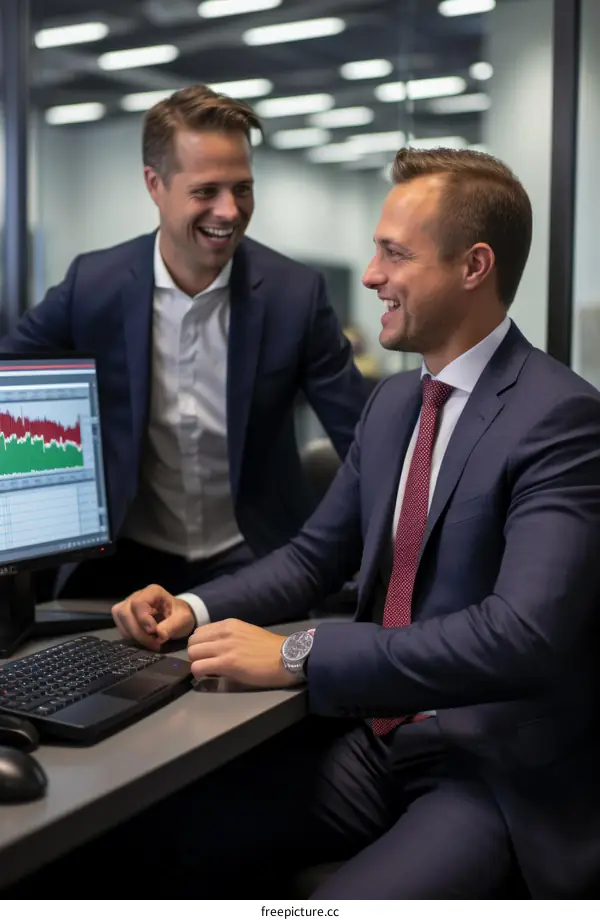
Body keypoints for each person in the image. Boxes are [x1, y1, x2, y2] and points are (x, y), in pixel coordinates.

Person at [109, 147, 600, 898]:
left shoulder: (560, 418)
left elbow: (520, 637)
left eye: (394, 253)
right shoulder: (398, 403)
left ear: (474, 267)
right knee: (148, 845)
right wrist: (193, 608)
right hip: (374, 743)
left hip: (487, 771)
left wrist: (300, 652)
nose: (370, 275)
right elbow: (314, 557)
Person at [0, 85, 367, 602]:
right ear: (155, 185)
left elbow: (365, 439)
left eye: (242, 188)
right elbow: (8, 381)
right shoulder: (94, 285)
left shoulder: (295, 295)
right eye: (206, 191)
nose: (230, 210)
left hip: (253, 554)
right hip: (124, 559)